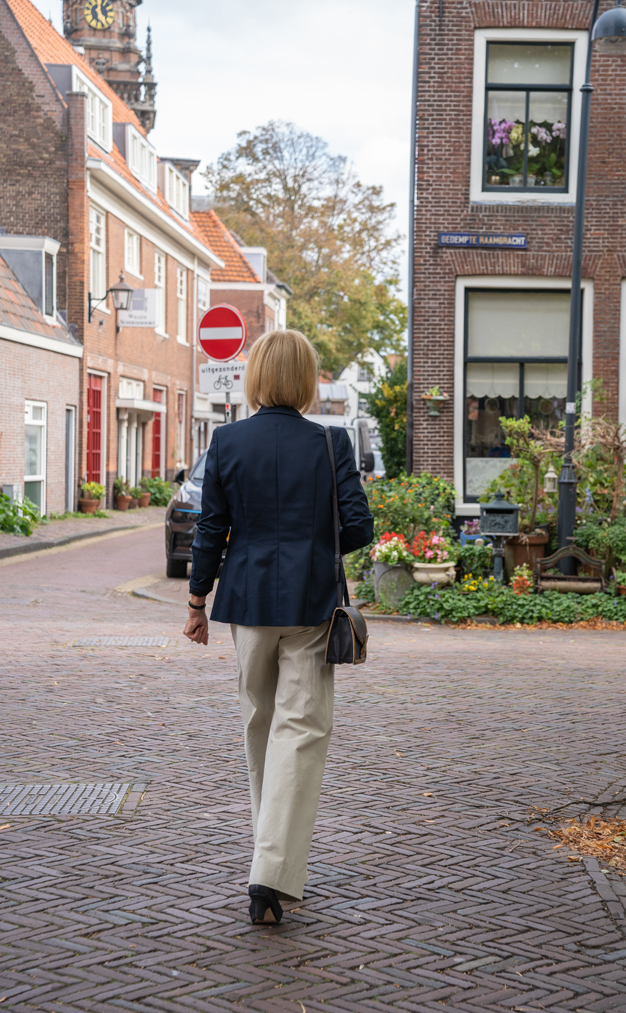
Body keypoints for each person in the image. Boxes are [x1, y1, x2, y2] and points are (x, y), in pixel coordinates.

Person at [183, 329, 374, 925]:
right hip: (311, 603)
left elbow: (210, 529)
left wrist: (196, 600)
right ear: (306, 379)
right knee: (301, 732)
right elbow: (359, 527)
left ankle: (272, 865)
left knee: (260, 729)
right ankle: (272, 875)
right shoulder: (330, 443)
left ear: (257, 377)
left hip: (246, 603)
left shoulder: (227, 440)